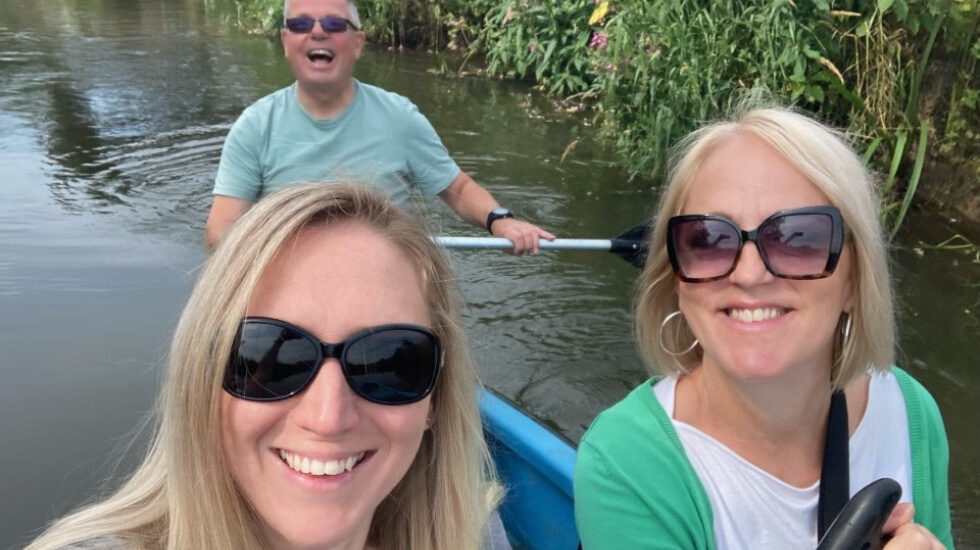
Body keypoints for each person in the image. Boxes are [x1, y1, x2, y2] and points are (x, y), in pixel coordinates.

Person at [28, 183, 502, 550]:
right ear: (202, 380)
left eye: (390, 363)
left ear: (436, 398)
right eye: (266, 359)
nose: (328, 418)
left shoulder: (476, 533)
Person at [574, 106, 953, 549]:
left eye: (799, 237)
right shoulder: (628, 464)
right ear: (676, 281)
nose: (749, 275)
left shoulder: (910, 415)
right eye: (709, 239)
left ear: (854, 278)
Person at [204, 0, 554, 254]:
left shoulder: (400, 118)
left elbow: (458, 189)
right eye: (300, 24)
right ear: (285, 42)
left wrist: (500, 220)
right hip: (289, 276)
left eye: (334, 24)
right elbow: (221, 230)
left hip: (385, 274)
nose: (316, 32)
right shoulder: (254, 127)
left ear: (357, 43)